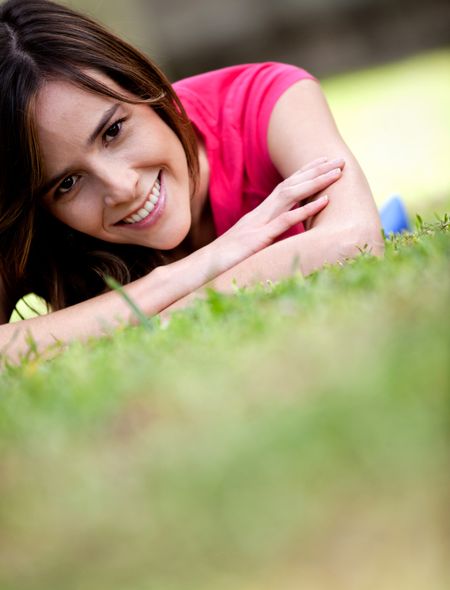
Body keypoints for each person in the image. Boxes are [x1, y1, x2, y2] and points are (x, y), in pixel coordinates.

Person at [0, 0, 384, 363]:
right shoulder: (31, 225)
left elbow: (353, 238)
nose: (121, 188)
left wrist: (142, 316)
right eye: (67, 183)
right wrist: (193, 269)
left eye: (113, 131)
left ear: (146, 86)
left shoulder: (266, 101)